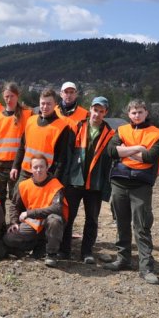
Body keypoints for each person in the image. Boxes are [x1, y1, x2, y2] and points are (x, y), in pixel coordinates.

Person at [103, 99, 159, 285]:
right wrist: (138, 149)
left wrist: (126, 151)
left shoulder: (157, 134)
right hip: (119, 182)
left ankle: (146, 267)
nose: (136, 115)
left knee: (142, 225)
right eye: (133, 112)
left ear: (146, 112)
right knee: (121, 222)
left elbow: (150, 157)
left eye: (139, 112)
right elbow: (112, 151)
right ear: (128, 114)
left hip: (141, 184)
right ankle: (123, 259)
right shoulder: (122, 130)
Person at [61, 96, 116, 264]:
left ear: (105, 113)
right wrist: (65, 179)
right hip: (75, 181)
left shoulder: (111, 134)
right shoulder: (77, 127)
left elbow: (111, 162)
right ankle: (64, 250)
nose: (97, 114)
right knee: (68, 217)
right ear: (90, 109)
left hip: (96, 183)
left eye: (101, 111)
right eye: (95, 110)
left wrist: (107, 186)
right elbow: (68, 155)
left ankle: (86, 252)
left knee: (92, 219)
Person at [6, 155, 68, 266]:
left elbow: (57, 208)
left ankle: (51, 254)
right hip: (33, 223)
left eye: (41, 167)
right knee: (9, 238)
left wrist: (29, 213)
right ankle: (37, 246)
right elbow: (14, 205)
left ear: (47, 167)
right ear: (31, 169)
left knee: (54, 220)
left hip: (49, 222)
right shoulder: (24, 185)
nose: (38, 170)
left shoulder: (56, 185)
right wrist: (14, 222)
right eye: (35, 167)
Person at [0, 83, 32, 214]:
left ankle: (14, 227)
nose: (9, 99)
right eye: (6, 96)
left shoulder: (27, 115)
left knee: (15, 198)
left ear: (17, 96)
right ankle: (0, 228)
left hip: (17, 165)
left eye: (12, 96)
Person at [13, 88, 72, 185]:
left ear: (55, 104)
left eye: (49, 104)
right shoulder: (30, 121)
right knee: (18, 199)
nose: (45, 107)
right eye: (42, 103)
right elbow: (22, 147)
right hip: (26, 172)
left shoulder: (62, 127)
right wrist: (15, 166)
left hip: (46, 175)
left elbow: (62, 158)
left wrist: (55, 179)